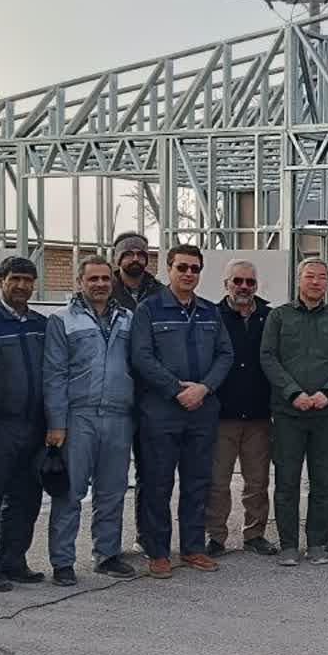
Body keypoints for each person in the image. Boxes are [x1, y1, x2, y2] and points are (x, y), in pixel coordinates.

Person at [129, 243, 234, 578]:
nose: (189, 274)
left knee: (197, 481)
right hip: (161, 411)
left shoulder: (209, 311)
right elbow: (141, 357)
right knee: (157, 483)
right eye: (182, 267)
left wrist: (204, 388)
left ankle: (193, 548)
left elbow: (225, 354)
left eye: (195, 268)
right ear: (169, 269)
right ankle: (158, 551)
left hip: (202, 410)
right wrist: (176, 390)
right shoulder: (149, 310)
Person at [259, 258, 328, 566]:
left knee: (324, 480)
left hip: (327, 413)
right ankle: (288, 545)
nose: (316, 282)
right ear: (299, 280)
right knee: (287, 481)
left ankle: (317, 543)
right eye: (310, 276)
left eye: (322, 277)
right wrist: (293, 393)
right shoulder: (279, 317)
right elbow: (268, 357)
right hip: (289, 414)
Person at [44, 256, 137, 582]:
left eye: (105, 278)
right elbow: (54, 374)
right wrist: (57, 423)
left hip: (119, 415)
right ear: (79, 282)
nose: (100, 284)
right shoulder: (62, 320)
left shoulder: (128, 318)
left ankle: (107, 555)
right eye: (92, 279)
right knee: (69, 492)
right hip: (78, 416)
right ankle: (63, 562)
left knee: (112, 491)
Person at [0, 256, 49, 590]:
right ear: (1, 281)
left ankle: (14, 559)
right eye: (15, 279)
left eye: (27, 280)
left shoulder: (42, 324)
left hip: (36, 423)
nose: (21, 286)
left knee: (27, 496)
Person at [207, 259, 274, 556]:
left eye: (249, 282)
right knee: (217, 481)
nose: (244, 287)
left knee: (257, 481)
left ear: (256, 285)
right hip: (222, 414)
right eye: (238, 281)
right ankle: (216, 536)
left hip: (259, 414)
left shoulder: (270, 317)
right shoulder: (212, 316)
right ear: (226, 284)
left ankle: (255, 534)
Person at [109, 231, 164, 312]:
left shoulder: (160, 291)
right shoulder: (107, 289)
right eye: (129, 254)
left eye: (140, 254)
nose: (136, 259)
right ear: (118, 259)